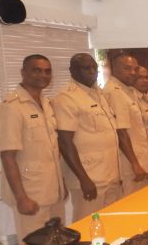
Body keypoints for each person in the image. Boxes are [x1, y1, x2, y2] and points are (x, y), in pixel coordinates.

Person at [0, 54, 66, 241]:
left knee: (59, 244)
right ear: (23, 73)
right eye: (36, 70)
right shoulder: (11, 107)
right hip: (31, 193)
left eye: (47, 71)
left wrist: (61, 183)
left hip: (52, 191)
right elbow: (7, 156)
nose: (43, 75)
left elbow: (51, 151)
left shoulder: (46, 104)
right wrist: (21, 198)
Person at [52, 53, 122, 221]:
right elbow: (65, 141)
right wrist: (84, 179)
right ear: (72, 71)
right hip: (90, 178)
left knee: (112, 224)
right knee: (88, 226)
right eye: (86, 68)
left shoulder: (98, 94)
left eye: (94, 68)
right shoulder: (66, 98)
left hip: (110, 174)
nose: (92, 72)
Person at [103, 53, 148, 195]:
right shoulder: (114, 92)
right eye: (127, 68)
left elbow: (141, 131)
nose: (133, 72)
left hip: (140, 160)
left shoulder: (129, 90)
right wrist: (135, 164)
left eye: (135, 68)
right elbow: (121, 132)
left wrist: (147, 162)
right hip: (129, 165)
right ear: (115, 69)